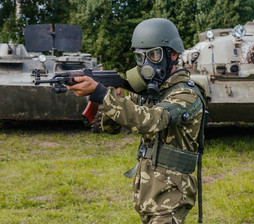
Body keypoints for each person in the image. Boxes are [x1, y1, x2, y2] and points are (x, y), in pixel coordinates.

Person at [67, 18, 205, 224]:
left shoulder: (186, 94)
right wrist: (115, 95)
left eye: (154, 55)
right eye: (140, 57)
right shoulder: (151, 92)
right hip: (149, 193)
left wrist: (101, 94)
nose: (146, 64)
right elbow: (111, 127)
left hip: (172, 195)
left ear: (173, 55)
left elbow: (149, 120)